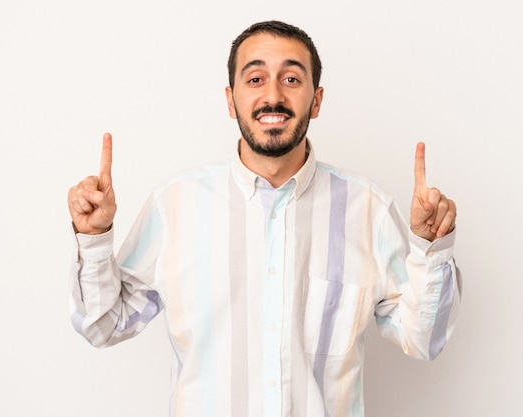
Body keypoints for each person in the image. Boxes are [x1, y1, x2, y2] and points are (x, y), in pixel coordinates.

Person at [67, 20, 461, 417]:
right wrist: (95, 238)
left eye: (291, 78)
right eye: (255, 78)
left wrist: (432, 248)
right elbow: (103, 325)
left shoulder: (368, 209)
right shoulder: (176, 205)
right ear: (230, 99)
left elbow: (424, 339)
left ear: (317, 100)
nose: (273, 96)